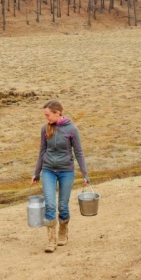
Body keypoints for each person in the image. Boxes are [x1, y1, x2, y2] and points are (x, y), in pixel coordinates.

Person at [32, 100, 89, 253]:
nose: (46, 118)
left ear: (58, 113)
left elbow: (79, 152)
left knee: (63, 206)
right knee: (50, 204)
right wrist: (37, 172)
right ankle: (51, 240)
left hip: (66, 171)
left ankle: (63, 230)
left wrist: (85, 174)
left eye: (48, 115)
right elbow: (42, 151)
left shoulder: (71, 129)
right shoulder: (45, 129)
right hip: (48, 170)